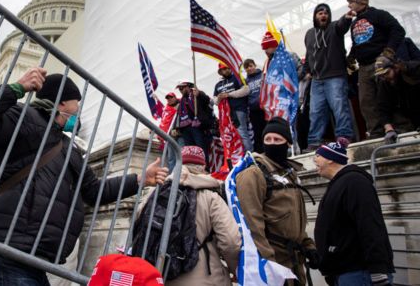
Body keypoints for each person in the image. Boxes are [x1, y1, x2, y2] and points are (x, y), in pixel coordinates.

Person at [0, 67, 168, 285]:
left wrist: (140, 179)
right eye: (77, 102)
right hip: (5, 250)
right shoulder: (24, 117)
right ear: (63, 102)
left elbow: (94, 191)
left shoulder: (69, 147)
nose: (78, 110)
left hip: (36, 259)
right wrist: (16, 88)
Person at [236, 117, 317, 285]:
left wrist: (308, 246)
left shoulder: (290, 174)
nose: (272, 143)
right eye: (268, 139)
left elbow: (295, 217)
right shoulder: (253, 174)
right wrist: (269, 262)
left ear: (287, 143)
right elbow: (252, 223)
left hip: (295, 262)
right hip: (275, 266)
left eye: (277, 139)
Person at [313, 142, 394, 285]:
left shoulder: (354, 182)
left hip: (360, 272)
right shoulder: (339, 183)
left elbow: (369, 225)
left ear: (330, 159)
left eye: (318, 156)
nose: (314, 160)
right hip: (345, 272)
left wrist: (377, 270)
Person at [166, 146, 240, 286]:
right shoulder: (210, 196)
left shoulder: (155, 193)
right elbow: (231, 242)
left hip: (162, 277)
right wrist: (234, 269)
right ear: (203, 166)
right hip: (208, 277)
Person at [347, 0, 406, 138]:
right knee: (366, 102)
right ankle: (376, 133)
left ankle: (401, 128)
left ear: (361, 1)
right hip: (364, 67)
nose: (349, 5)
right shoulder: (354, 23)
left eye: (351, 2)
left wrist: (388, 53)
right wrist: (351, 56)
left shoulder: (379, 14)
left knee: (389, 97)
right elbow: (359, 42)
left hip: (381, 62)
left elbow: (398, 30)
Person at [303, 3, 354, 147]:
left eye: (326, 13)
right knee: (315, 112)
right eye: (320, 13)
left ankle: (344, 136)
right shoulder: (309, 33)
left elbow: (342, 25)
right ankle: (314, 141)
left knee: (339, 107)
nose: (323, 15)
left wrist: (347, 18)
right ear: (315, 16)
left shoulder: (334, 27)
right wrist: (307, 70)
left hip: (335, 76)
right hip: (317, 79)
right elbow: (308, 55)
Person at [374, 55, 420, 143]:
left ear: (395, 68)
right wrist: (389, 129)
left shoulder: (414, 70)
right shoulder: (384, 82)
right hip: (408, 114)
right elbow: (382, 108)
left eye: (386, 73)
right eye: (381, 76)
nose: (385, 77)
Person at [173, 79, 215, 159]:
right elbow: (179, 115)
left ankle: (204, 167)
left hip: (197, 126)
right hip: (185, 128)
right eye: (179, 89)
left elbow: (207, 100)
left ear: (188, 86)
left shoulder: (197, 95)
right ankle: (193, 167)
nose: (180, 90)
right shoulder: (182, 100)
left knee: (200, 149)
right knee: (190, 150)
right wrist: (175, 127)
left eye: (182, 88)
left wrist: (199, 94)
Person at [214, 64, 251, 152]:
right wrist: (219, 97)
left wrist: (229, 94)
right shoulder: (218, 85)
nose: (226, 70)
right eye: (223, 69)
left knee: (242, 133)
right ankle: (238, 156)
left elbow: (246, 90)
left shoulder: (238, 78)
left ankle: (250, 155)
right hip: (225, 115)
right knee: (230, 135)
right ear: (220, 72)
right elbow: (215, 101)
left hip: (238, 110)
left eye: (227, 68)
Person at [154, 91, 180, 171]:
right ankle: (172, 176)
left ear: (175, 97)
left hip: (177, 134)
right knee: (170, 158)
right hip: (167, 136)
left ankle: (178, 174)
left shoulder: (180, 106)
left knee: (178, 156)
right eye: (168, 98)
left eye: (171, 97)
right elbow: (163, 120)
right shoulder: (166, 109)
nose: (169, 99)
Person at [244, 58, 266, 153]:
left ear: (254, 65)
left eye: (250, 66)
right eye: (247, 67)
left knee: (267, 129)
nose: (249, 68)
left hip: (265, 108)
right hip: (253, 110)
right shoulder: (245, 81)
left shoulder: (263, 75)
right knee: (257, 132)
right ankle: (260, 153)